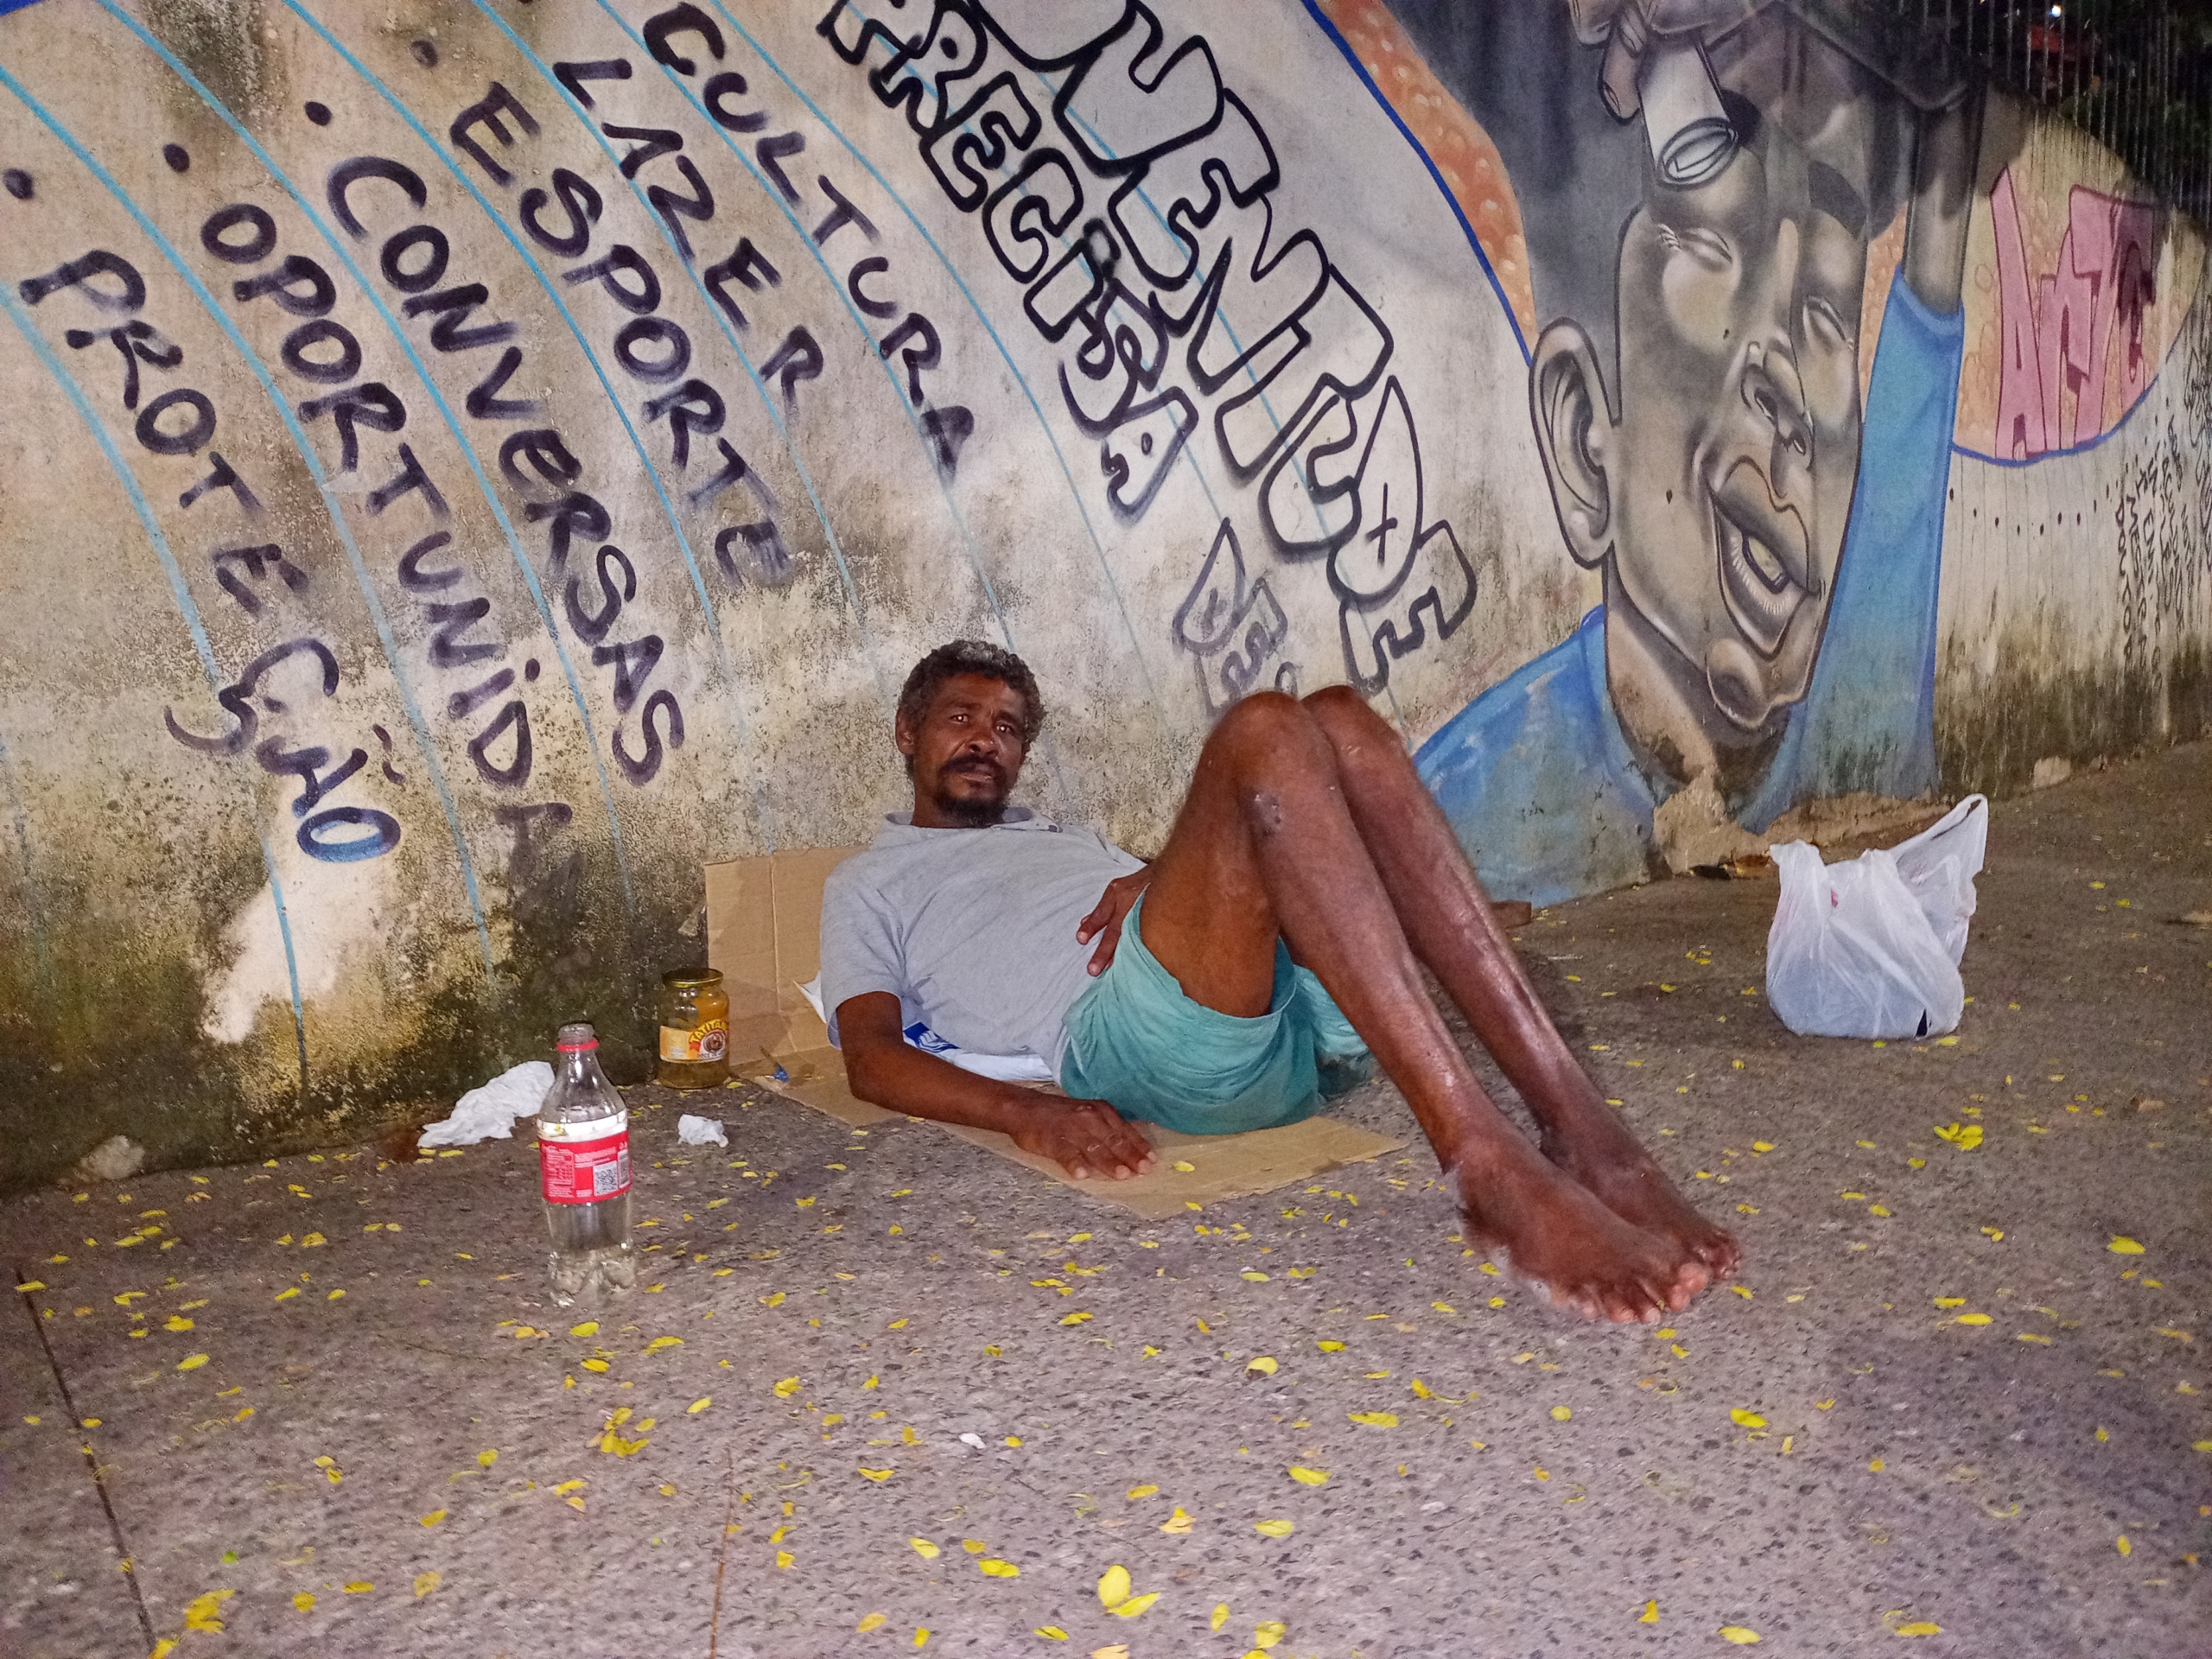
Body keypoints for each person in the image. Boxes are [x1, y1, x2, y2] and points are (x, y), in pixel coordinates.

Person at [821, 640, 1738, 1324]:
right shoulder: (870, 880)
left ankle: (1586, 1139)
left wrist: (1148, 871)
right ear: (907, 734)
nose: (986, 742)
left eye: (1007, 729)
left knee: (1337, 717)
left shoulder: (1061, 838)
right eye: (960, 720)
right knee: (1262, 728)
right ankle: (1487, 1165)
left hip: (1300, 1019)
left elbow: (1214, 885)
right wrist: (1031, 1114)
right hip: (1139, 1035)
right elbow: (868, 1056)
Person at [1395, 0, 1979, 905]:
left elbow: (1956, 165)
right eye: (1713, 253)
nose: (1784, 380)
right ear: (1585, 444)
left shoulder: (1865, 647)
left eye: (1827, 307)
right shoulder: (1448, 820)